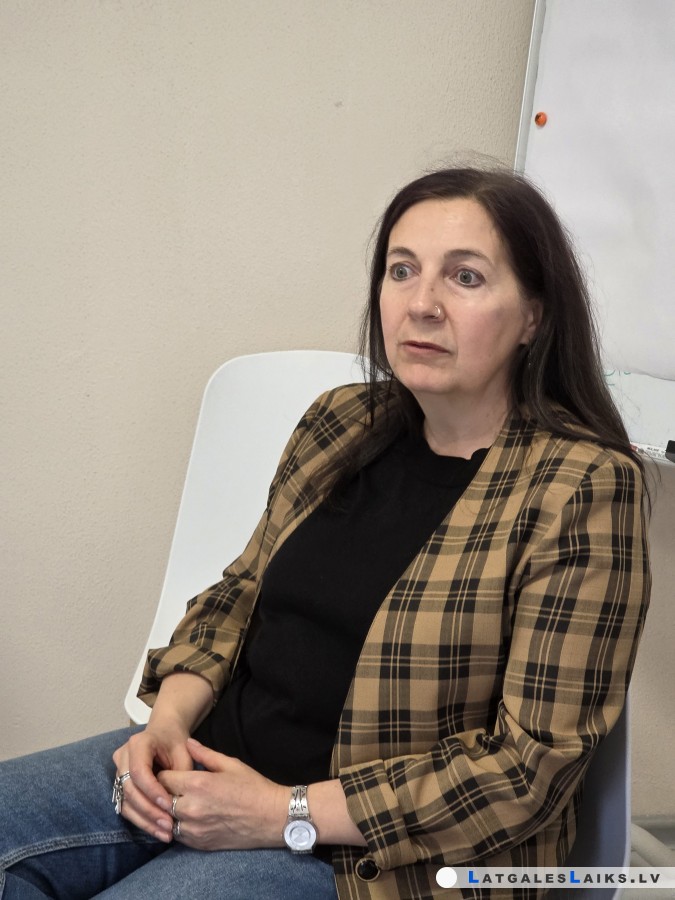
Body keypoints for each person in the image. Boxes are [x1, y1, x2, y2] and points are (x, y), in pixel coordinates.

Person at [0, 167, 650, 900]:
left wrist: (281, 813)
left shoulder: (582, 487)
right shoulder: (340, 421)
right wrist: (167, 727)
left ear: (533, 315)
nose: (421, 304)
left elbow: (526, 770)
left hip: (362, 857)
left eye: (464, 277)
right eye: (401, 270)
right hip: (208, 765)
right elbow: (238, 593)